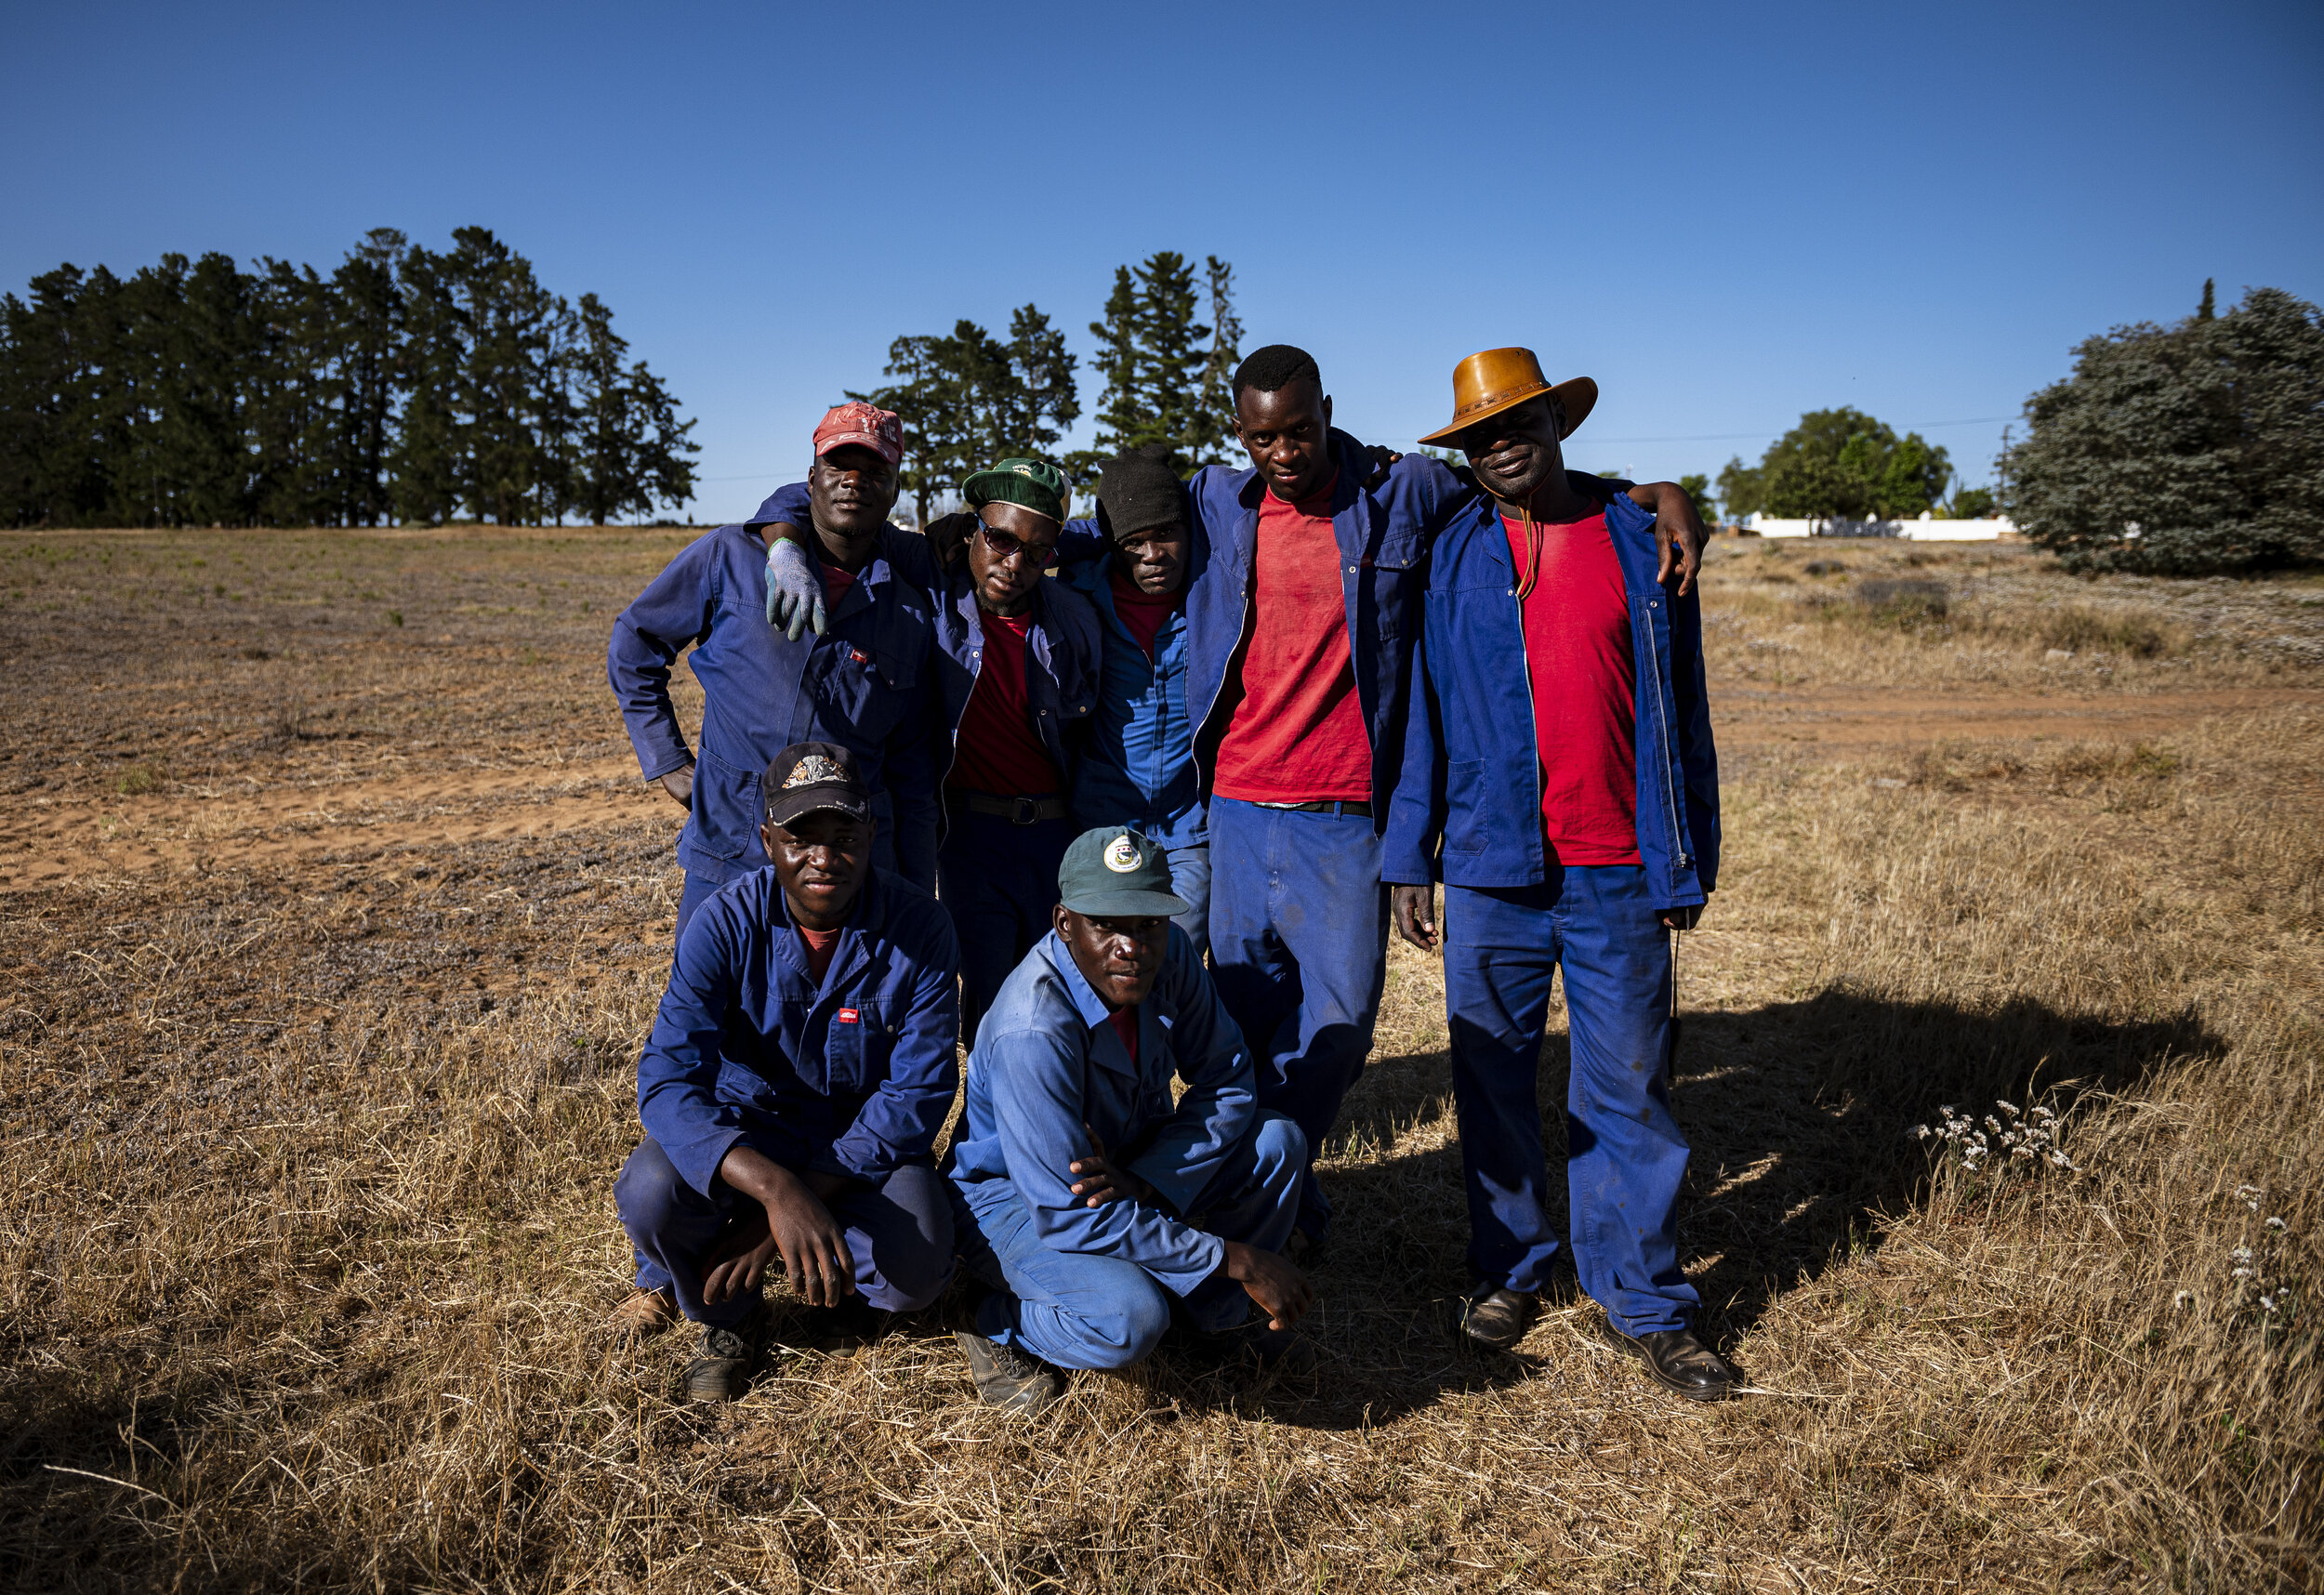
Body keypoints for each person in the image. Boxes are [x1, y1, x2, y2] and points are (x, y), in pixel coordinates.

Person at [763, 348, 1711, 1256]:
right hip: (1177, 815)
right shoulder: (1159, 533)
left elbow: (1522, 491)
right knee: (1170, 1017)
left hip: (1301, 817)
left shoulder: (1366, 498)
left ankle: (1257, 1177)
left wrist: (1645, 495)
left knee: (1317, 1021)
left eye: (1299, 431)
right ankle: (1164, 1185)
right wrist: (805, 533)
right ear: (1240, 440)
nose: (1283, 453)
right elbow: (1078, 528)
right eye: (1263, 438)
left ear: (1326, 418)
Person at [1383, 348, 1731, 1400]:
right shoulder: (1449, 550)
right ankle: (1511, 1268)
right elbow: (1422, 717)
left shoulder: (1637, 537)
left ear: (1555, 428)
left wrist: (1686, 851)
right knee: (1489, 1080)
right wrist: (1411, 854)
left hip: (1616, 862)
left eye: (1517, 428)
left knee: (1628, 1084)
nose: (1500, 450)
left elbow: (1684, 711)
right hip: (1492, 862)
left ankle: (1648, 1300)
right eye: (1480, 437)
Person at [609, 742, 960, 1402]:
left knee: (917, 1267)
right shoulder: (723, 923)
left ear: (871, 835)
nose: (824, 857)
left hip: (858, 1154)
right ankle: (730, 1318)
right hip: (751, 1139)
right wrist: (774, 1193)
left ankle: (833, 1288)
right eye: (801, 837)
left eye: (843, 836)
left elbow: (917, 1096)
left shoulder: (923, 928)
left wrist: (772, 1228)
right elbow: (667, 1077)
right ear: (768, 840)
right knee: (650, 1190)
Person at [944, 825, 1314, 1414]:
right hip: (1018, 1203)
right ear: (1066, 925)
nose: (1131, 945)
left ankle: (1211, 1318)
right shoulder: (1033, 1029)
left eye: (1148, 923)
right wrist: (1232, 1256)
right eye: (1107, 924)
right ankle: (996, 1318)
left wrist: (1148, 1178)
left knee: (1277, 1143)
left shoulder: (1170, 961)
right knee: (1130, 1320)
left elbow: (1229, 1079)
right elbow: (1067, 1214)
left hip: (1129, 1167)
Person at [745, 458, 1102, 1044]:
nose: (1013, 564)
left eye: (1036, 552)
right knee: (988, 1007)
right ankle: (984, 1130)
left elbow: (1109, 533)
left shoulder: (1074, 617)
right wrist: (784, 548)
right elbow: (813, 499)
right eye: (1000, 538)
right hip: (970, 836)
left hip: (1058, 837)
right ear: (971, 531)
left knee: (1065, 1000)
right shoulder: (935, 584)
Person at [608, 402, 943, 942]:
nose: (854, 483)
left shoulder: (907, 611)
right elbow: (635, 642)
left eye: (875, 472)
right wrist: (666, 760)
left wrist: (911, 886)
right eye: (839, 468)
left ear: (895, 490)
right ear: (811, 478)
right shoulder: (731, 558)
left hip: (846, 871)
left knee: (839, 1016)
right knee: (713, 1013)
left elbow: (911, 767)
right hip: (732, 847)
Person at [1054, 445, 1209, 958]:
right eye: (1133, 542)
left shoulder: (1214, 596)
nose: (1152, 554)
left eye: (1166, 533)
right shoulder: (1077, 597)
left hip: (1190, 825)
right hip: (1100, 817)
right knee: (1104, 962)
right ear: (1112, 543)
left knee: (1177, 956)